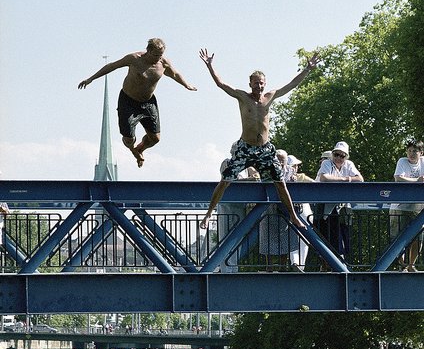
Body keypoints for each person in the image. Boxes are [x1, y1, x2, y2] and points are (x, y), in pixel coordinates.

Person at [198, 48, 319, 230]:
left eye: (261, 83)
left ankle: (293, 216)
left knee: (280, 182)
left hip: (264, 149)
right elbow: (221, 84)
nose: (259, 86)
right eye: (256, 83)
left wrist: (307, 69)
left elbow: (292, 84)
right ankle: (208, 214)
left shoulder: (270, 96)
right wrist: (210, 66)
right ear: (250, 84)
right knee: (225, 180)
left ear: (265, 83)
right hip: (245, 148)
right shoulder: (242, 96)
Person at [78, 38, 197, 168]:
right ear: (148, 51)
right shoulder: (134, 59)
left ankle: (140, 149)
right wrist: (91, 79)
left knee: (155, 139)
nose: (158, 58)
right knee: (128, 139)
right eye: (156, 55)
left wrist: (186, 85)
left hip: (148, 103)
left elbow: (174, 74)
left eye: (161, 55)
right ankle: (132, 149)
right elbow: (112, 66)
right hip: (128, 101)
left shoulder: (163, 63)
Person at [316, 141, 364, 263]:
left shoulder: (349, 164)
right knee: (324, 237)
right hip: (323, 205)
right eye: (336, 154)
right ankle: (328, 264)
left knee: (343, 235)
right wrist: (346, 179)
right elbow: (324, 178)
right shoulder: (327, 163)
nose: (338, 158)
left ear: (346, 157)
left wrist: (343, 179)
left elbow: (360, 179)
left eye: (342, 156)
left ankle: (339, 263)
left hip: (341, 206)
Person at [390, 138, 424, 272]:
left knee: (418, 237)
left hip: (419, 208)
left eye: (414, 151)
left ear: (421, 152)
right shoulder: (402, 161)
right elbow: (398, 178)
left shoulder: (423, 162)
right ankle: (402, 265)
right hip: (400, 206)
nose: (411, 154)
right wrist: (417, 180)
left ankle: (411, 265)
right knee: (398, 237)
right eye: (409, 151)